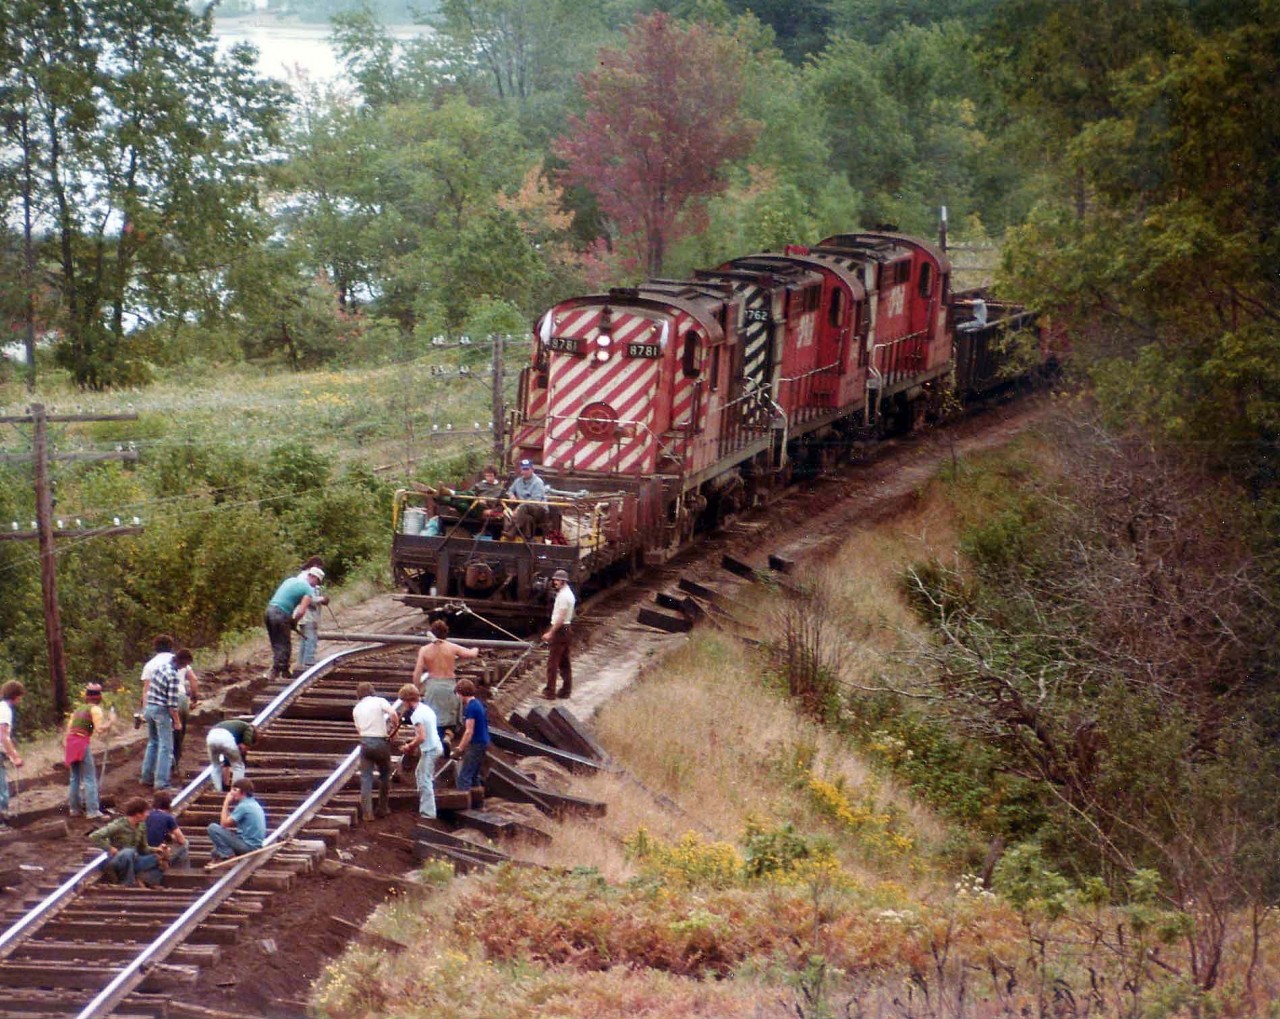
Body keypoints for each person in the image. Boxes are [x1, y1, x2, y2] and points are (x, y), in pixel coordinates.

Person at [410, 619, 478, 750]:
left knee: (433, 718)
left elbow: (417, 672)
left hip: (433, 686)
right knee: (452, 719)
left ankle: (433, 744)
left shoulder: (424, 650)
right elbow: (471, 654)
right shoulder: (451, 647)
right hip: (450, 687)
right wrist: (476, 648)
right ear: (445, 633)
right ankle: (448, 736)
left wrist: (416, 689)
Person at [140, 648, 189, 791]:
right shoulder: (173, 676)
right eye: (185, 664)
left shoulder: (161, 668)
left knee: (153, 743)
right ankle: (162, 782)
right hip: (161, 712)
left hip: (150, 708)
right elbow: (172, 705)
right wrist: (177, 722)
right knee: (166, 747)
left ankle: (146, 777)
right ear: (182, 661)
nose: (185, 667)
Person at [89, 796, 164, 887]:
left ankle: (145, 880)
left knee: (161, 859)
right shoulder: (118, 825)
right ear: (138, 814)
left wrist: (157, 850)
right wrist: (110, 848)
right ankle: (127, 883)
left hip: (134, 860)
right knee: (129, 851)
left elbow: (143, 848)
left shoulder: (142, 826)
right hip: (117, 860)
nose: (148, 814)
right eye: (146, 812)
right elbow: (95, 836)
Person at [264, 566, 322, 680]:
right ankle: (279, 672)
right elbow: (301, 611)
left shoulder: (290, 580)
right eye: (317, 581)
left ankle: (281, 671)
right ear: (312, 577)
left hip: (269, 612)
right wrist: (294, 621)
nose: (316, 585)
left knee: (276, 643)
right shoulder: (308, 589)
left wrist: (289, 620)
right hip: (281, 614)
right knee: (285, 644)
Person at [65, 682, 112, 819]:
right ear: (99, 697)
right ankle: (92, 811)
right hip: (81, 742)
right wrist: (111, 722)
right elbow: (99, 729)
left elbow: (69, 730)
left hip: (71, 742)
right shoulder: (95, 709)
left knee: (75, 777)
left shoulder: (78, 710)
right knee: (89, 777)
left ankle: (74, 809)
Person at [352, 682, 399, 819]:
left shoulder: (357, 708)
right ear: (372, 691)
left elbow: (359, 730)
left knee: (366, 778)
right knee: (385, 775)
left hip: (365, 743)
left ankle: (367, 813)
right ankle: (383, 808)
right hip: (380, 742)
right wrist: (395, 729)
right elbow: (393, 713)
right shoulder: (380, 701)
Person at [397, 684, 444, 819]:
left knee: (424, 779)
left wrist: (409, 747)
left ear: (407, 700)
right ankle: (424, 803)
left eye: (403, 701)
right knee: (420, 773)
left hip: (430, 749)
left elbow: (422, 737)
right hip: (435, 746)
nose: (403, 704)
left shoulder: (416, 715)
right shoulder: (426, 709)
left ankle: (428, 814)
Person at [207, 778, 267, 862]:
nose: (231, 792)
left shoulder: (244, 806)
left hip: (248, 847)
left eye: (235, 790)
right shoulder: (252, 803)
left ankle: (230, 858)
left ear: (243, 792)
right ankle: (226, 859)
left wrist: (226, 802)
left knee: (212, 828)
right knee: (215, 851)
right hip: (254, 845)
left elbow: (223, 824)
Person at [542, 569, 577, 699]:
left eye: (557, 580)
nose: (554, 582)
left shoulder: (563, 596)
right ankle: (566, 690)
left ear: (563, 581)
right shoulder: (569, 594)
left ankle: (549, 692)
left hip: (561, 631)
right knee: (565, 663)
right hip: (567, 629)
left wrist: (550, 633)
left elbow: (561, 617)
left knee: (553, 663)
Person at [451, 678, 490, 793]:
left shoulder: (471, 708)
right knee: (474, 775)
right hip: (483, 742)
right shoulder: (477, 703)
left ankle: (464, 806)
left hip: (476, 743)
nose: (457, 697)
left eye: (457, 694)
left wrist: (460, 748)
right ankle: (478, 802)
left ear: (461, 693)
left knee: (464, 777)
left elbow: (469, 731)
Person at [170, 650, 200, 775]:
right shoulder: (182, 663)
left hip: (162, 700)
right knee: (179, 732)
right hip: (181, 698)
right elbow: (194, 680)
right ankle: (174, 763)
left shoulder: (153, 663)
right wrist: (194, 698)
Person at [503, 458, 549, 540]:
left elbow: (535, 501)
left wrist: (518, 508)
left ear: (532, 469)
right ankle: (509, 534)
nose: (525, 471)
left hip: (539, 510)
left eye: (527, 469)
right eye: (523, 469)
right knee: (509, 511)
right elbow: (510, 490)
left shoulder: (538, 482)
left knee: (524, 507)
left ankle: (513, 531)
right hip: (524, 510)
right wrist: (511, 495)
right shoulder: (518, 481)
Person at [0, 680, 25, 830]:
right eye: (20, 697)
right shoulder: (5, 710)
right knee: (1, 787)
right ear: (15, 696)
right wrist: (14, 756)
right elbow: (2, 735)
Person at [206, 718, 256, 792]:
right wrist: (246, 746)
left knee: (216, 766)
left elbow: (227, 757)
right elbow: (245, 745)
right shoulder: (248, 727)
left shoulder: (234, 728)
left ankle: (217, 789)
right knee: (239, 766)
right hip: (225, 737)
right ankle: (235, 790)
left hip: (211, 737)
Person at [146, 788, 189, 868]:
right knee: (185, 843)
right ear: (168, 804)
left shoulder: (147, 815)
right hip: (157, 853)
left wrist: (170, 837)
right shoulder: (168, 817)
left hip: (146, 851)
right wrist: (173, 838)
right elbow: (181, 840)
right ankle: (185, 870)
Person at [297, 571, 329, 671]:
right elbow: (309, 599)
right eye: (317, 580)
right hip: (307, 618)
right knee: (310, 640)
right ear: (312, 576)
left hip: (308, 617)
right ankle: (308, 662)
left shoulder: (311, 587)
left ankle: (301, 664)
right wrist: (322, 599)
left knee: (304, 641)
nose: (317, 583)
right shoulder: (305, 586)